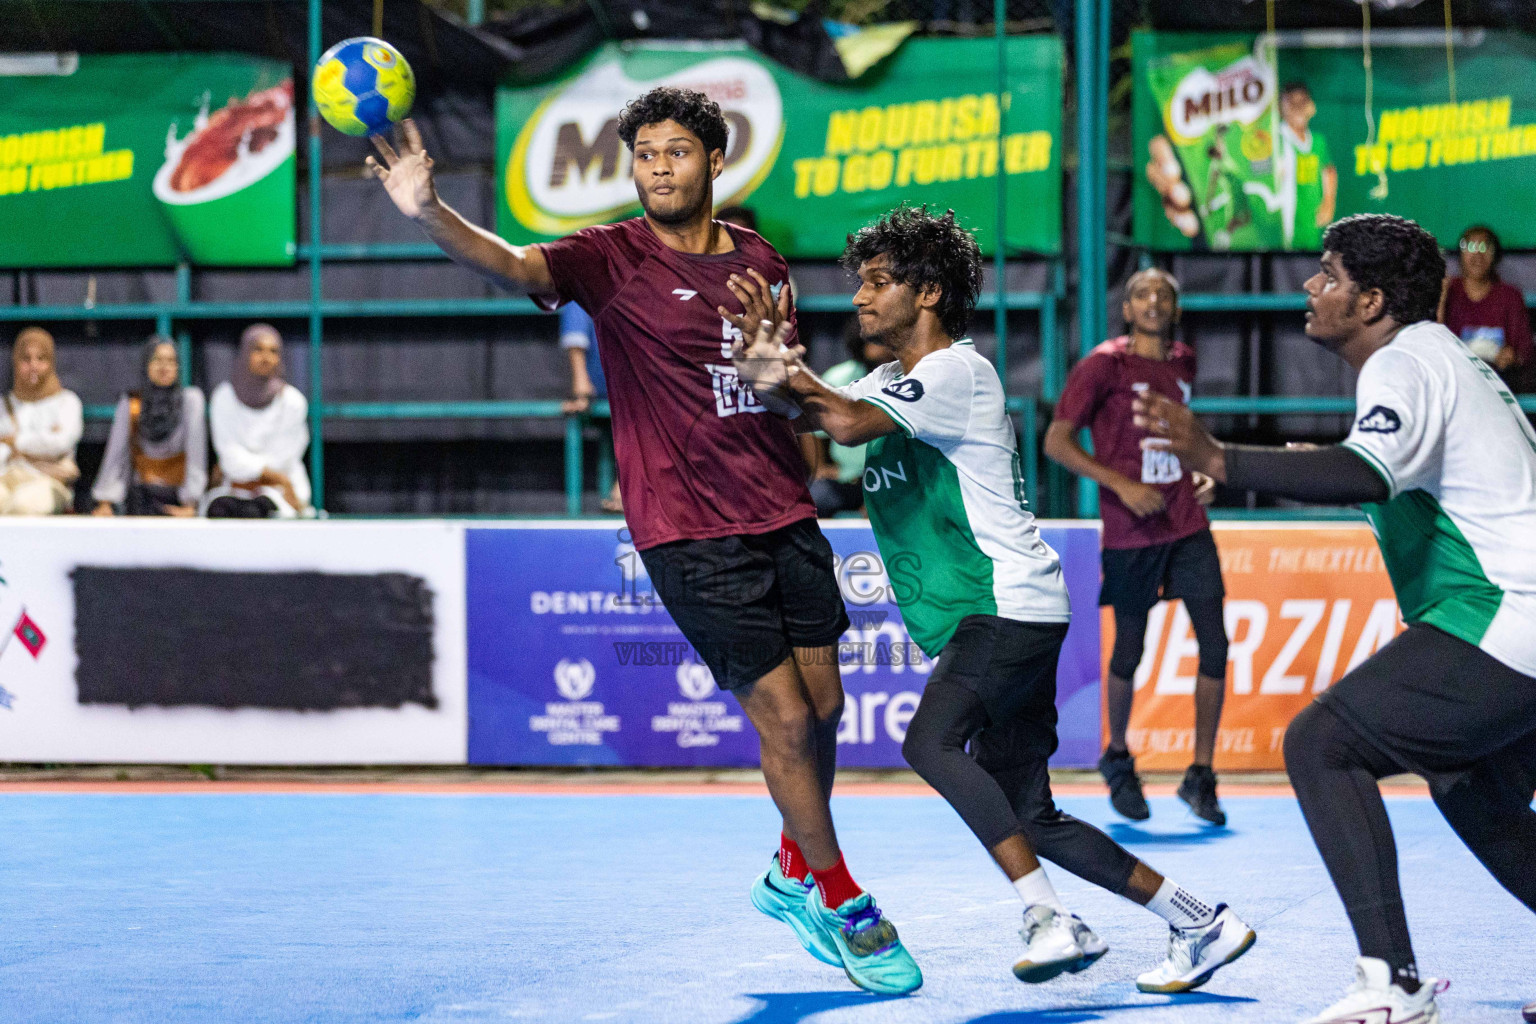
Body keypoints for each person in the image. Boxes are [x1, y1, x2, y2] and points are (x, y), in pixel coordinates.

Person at [365, 92, 921, 993]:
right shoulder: (608, 256)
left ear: (712, 163)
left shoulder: (763, 262)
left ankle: (788, 869)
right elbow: (510, 264)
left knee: (827, 712)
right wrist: (430, 211)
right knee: (782, 719)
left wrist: (779, 375)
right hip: (687, 528)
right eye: (645, 154)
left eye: (677, 151)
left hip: (782, 509)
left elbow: (783, 392)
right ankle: (844, 902)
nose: (659, 166)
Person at [733, 205, 1255, 992]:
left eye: (880, 282)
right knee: (1032, 815)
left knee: (929, 744)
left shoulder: (956, 373)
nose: (863, 298)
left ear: (932, 292)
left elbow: (838, 421)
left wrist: (790, 369)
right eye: (860, 283)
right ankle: (1199, 920)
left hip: (1002, 605)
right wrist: (765, 376)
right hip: (1010, 611)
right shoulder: (887, 381)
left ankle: (1049, 919)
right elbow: (814, 442)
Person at [1136, 213, 1536, 1024]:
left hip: (1504, 613)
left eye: (1328, 274)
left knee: (1322, 743)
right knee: (1472, 791)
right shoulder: (1437, 359)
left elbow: (1368, 472)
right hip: (1515, 614)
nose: (1310, 287)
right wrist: (1257, 468)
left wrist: (1221, 457)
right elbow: (1383, 466)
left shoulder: (1404, 360)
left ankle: (1391, 982)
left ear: (1373, 300)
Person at [1043, 269, 1229, 826]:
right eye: (1142, 294)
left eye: (1164, 295)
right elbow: (1057, 440)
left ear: (1175, 307)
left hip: (1187, 522)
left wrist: (1203, 472)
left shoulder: (1183, 361)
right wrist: (1120, 484)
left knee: (1215, 643)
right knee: (1129, 650)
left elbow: (1186, 435)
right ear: (1126, 309)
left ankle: (1201, 774)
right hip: (1130, 529)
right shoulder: (1104, 364)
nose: (1153, 302)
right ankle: (1118, 757)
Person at [202, 324, 311, 519]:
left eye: (273, 351)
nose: (266, 357)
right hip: (233, 490)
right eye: (258, 349)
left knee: (260, 511)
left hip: (280, 492)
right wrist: (259, 472)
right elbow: (230, 457)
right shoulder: (224, 397)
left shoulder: (292, 402)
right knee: (221, 511)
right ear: (245, 352)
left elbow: (283, 458)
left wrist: (260, 473)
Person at [91, 336, 207, 517]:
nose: (164, 367)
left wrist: (190, 504)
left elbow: (196, 455)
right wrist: (106, 501)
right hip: (142, 494)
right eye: (157, 360)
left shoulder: (190, 400)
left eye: (171, 361)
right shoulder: (133, 403)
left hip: (178, 494)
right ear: (146, 364)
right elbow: (116, 454)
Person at [801, 319, 892, 516]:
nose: (876, 347)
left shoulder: (906, 380)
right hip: (846, 478)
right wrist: (820, 468)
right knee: (813, 501)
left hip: (891, 478)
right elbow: (812, 430)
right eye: (871, 340)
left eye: (880, 340)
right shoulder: (839, 376)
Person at [0, 327, 82, 515]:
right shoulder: (4, 405)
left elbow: (60, 443)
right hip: (6, 476)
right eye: (26, 359)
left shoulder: (67, 402)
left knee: (23, 505)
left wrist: (15, 442)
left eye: (41, 359)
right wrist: (40, 441)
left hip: (49, 481)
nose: (33, 366)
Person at [1439, 225, 1532, 387]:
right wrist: (1440, 298)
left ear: (1495, 255)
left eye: (1484, 247)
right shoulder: (1448, 290)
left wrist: (1512, 358)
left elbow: (1525, 351)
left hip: (1499, 383)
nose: (1477, 254)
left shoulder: (1510, 296)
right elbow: (1433, 341)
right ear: (1460, 254)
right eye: (1470, 246)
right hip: (1456, 380)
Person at [558, 302, 623, 514]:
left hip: (642, 378)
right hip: (603, 377)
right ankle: (581, 384)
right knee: (577, 298)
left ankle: (627, 483)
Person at [1277, 82, 1337, 252]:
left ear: (1311, 107)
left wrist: (1329, 201)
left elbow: (1328, 170)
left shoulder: (1318, 141)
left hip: (1312, 224)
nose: (1298, 108)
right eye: (1291, 103)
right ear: (1281, 107)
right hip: (1287, 227)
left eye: (1302, 102)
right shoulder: (1277, 140)